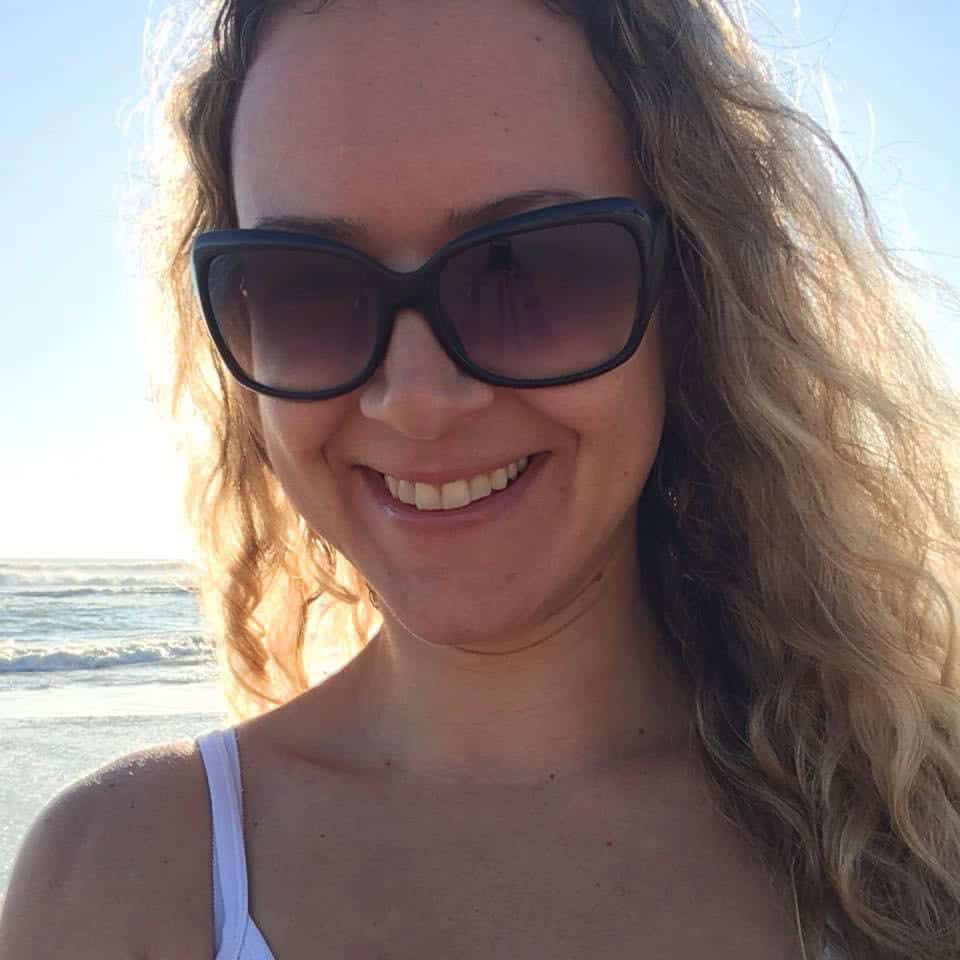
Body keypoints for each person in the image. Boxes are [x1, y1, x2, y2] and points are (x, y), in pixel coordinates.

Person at [2, 0, 960, 957]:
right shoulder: (122, 883)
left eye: (526, 268)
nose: (416, 399)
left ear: (692, 298)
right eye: (305, 287)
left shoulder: (924, 839)